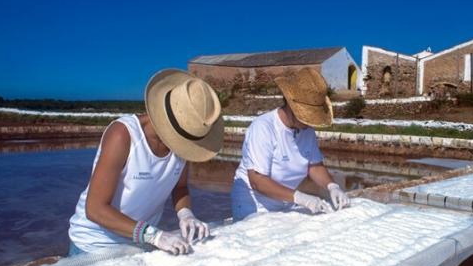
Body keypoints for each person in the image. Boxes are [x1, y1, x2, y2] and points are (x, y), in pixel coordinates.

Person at [68, 69, 224, 255]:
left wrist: (186, 214)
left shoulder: (184, 143)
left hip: (139, 241)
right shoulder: (124, 135)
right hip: (96, 243)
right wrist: (154, 235)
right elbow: (95, 209)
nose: (182, 145)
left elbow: (180, 187)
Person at [231, 68, 350, 220]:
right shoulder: (264, 127)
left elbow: (314, 166)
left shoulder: (307, 130)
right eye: (305, 117)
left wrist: (332, 186)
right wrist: (301, 198)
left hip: (287, 199)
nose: (308, 123)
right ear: (290, 106)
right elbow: (258, 181)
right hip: (255, 203)